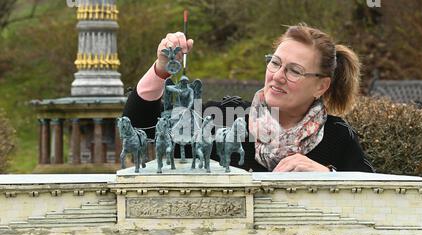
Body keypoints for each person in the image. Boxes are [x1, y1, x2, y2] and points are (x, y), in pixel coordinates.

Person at [123, 23, 375, 173]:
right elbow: (141, 129)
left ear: (321, 86)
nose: (277, 76)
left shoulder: (337, 136)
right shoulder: (223, 119)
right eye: (275, 63)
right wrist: (161, 69)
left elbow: (372, 198)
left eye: (294, 71)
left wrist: (328, 176)